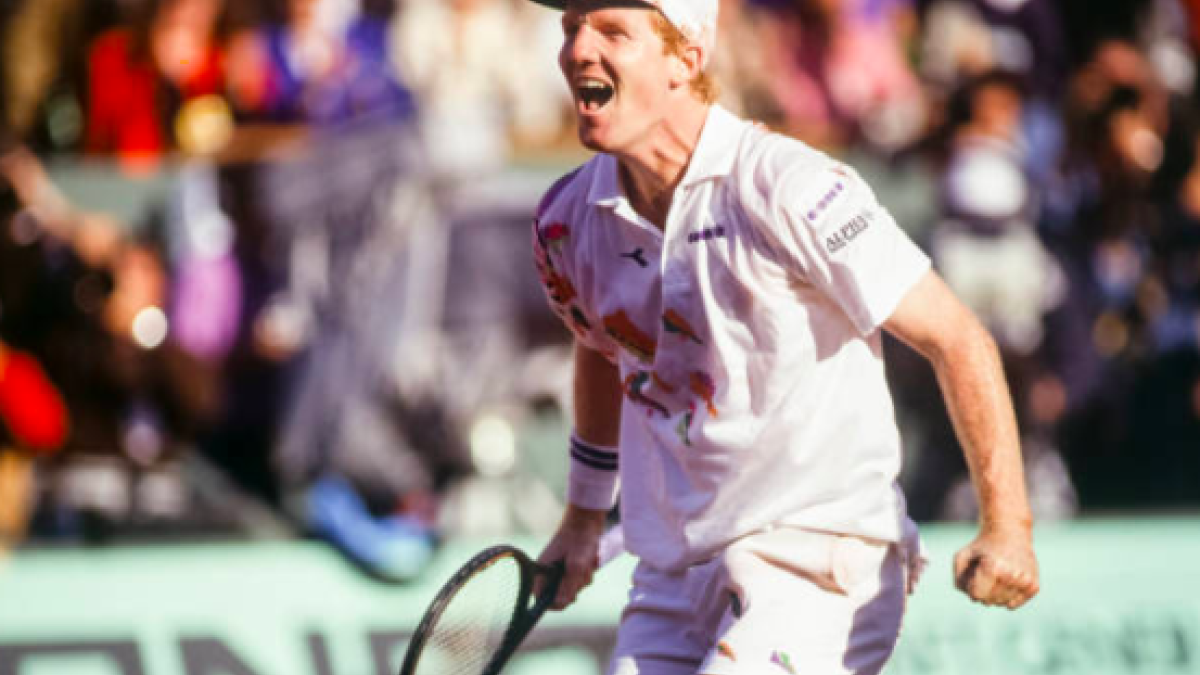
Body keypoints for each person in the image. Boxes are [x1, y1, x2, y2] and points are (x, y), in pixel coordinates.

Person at [526, 1, 1040, 673]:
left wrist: (1009, 526)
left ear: (688, 57)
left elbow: (958, 338)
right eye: (571, 28)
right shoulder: (565, 221)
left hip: (821, 555)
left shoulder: (788, 185)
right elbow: (603, 346)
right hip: (670, 577)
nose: (575, 51)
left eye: (611, 32)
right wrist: (584, 518)